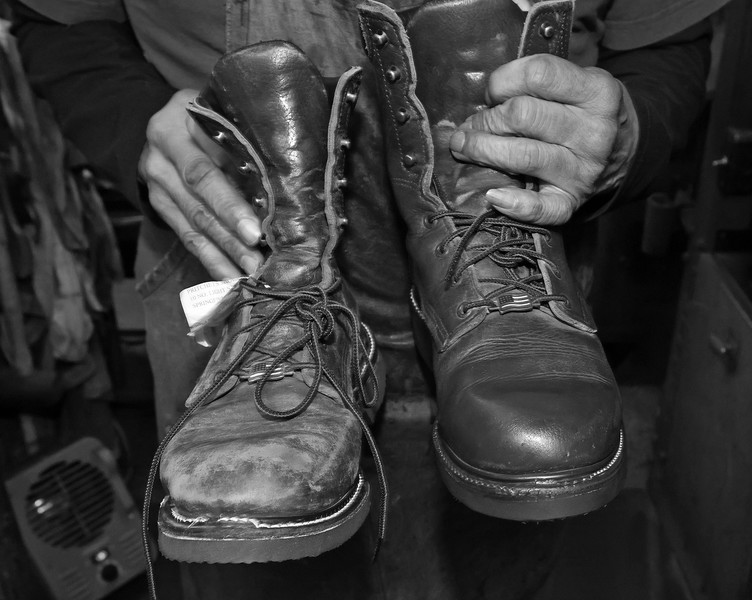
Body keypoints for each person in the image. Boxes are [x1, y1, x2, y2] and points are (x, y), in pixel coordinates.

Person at [10, 0, 725, 598]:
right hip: (230, 255)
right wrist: (131, 122)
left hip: (522, 264)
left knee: (498, 566)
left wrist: (630, 128)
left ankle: (487, 264)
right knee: (239, 551)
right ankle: (288, 310)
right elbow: (57, 21)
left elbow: (671, 39)